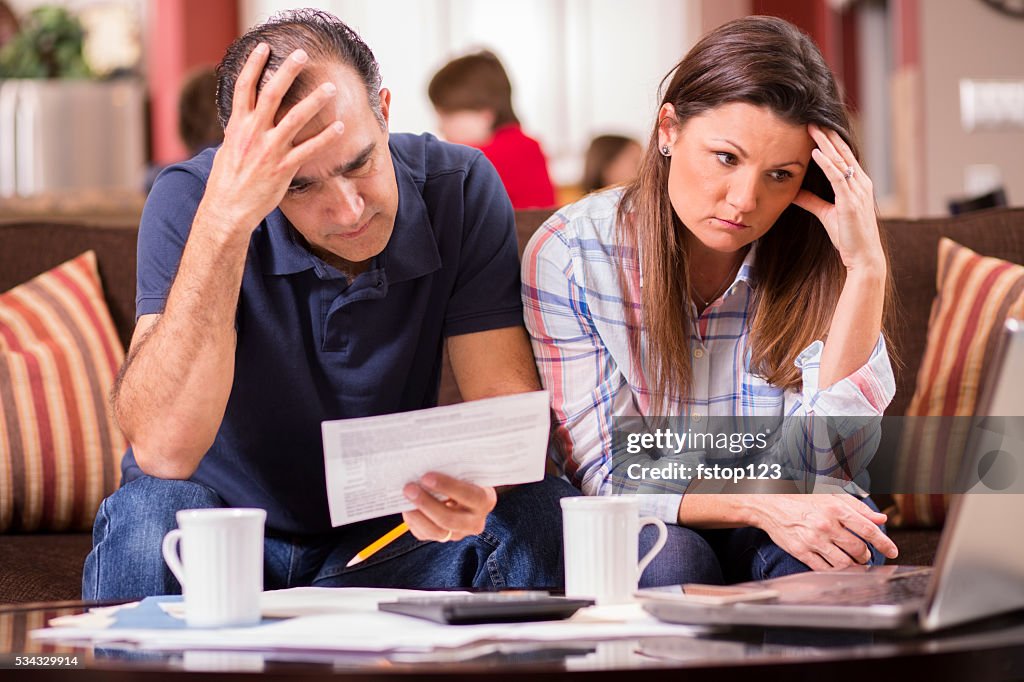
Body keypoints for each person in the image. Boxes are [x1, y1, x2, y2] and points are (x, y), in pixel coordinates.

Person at [83, 9, 578, 601]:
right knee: (150, 514)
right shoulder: (191, 199)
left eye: (360, 162)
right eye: (299, 184)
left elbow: (505, 414)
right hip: (221, 540)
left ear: (385, 111)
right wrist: (226, 219)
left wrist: (479, 488)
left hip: (386, 541)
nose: (348, 210)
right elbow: (164, 449)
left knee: (542, 510)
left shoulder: (461, 184)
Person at [522, 16, 901, 587]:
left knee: (837, 554)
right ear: (668, 128)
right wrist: (756, 504)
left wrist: (866, 267)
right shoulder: (572, 252)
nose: (745, 200)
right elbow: (604, 471)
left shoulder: (821, 255)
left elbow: (827, 469)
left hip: (787, 501)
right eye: (727, 158)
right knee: (674, 559)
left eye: (780, 174)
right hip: (655, 513)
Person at [428, 51, 556, 209]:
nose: (440, 127)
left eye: (447, 116)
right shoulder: (529, 147)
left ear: (484, 113)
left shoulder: (476, 161)